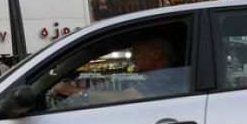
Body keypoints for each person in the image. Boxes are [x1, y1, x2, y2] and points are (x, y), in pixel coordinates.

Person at [53, 34, 186, 106]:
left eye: (136, 51)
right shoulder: (169, 76)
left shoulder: (165, 77)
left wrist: (67, 89)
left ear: (156, 53)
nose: (133, 58)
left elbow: (123, 98)